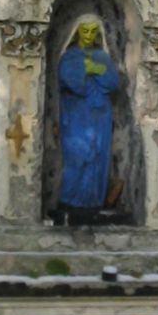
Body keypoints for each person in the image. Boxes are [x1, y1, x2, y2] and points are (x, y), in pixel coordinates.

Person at [57, 19, 120, 214]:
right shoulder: (70, 57)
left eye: (93, 31)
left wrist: (95, 69)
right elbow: (73, 83)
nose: (89, 35)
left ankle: (93, 202)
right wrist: (88, 70)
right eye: (85, 31)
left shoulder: (102, 56)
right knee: (78, 155)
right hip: (76, 115)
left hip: (100, 115)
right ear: (77, 32)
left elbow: (112, 82)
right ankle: (69, 201)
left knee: (98, 157)